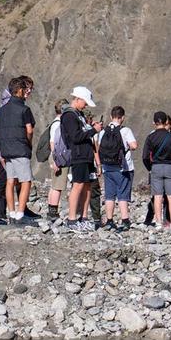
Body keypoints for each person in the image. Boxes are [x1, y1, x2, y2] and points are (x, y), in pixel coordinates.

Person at [61, 86, 102, 231]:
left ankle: (84, 217)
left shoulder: (79, 115)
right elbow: (76, 136)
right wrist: (93, 131)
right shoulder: (69, 116)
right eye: (84, 102)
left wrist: (90, 128)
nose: (85, 105)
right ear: (77, 99)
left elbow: (82, 132)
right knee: (77, 185)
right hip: (78, 155)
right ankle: (72, 219)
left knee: (87, 185)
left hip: (86, 155)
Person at [0, 76, 37, 222]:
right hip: (20, 148)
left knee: (10, 181)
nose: (27, 91)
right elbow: (29, 130)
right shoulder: (24, 109)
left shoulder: (2, 110)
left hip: (6, 149)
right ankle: (20, 214)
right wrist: (29, 143)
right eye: (25, 89)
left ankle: (12, 213)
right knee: (26, 181)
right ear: (19, 90)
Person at [95, 105, 138, 230]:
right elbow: (134, 146)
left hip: (107, 167)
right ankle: (125, 220)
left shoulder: (103, 131)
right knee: (123, 194)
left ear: (111, 116)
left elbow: (97, 146)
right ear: (122, 117)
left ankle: (109, 220)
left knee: (109, 195)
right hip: (123, 168)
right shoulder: (125, 131)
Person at [143, 111, 171, 231]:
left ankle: (158, 223)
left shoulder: (150, 137)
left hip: (156, 167)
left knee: (157, 196)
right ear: (166, 121)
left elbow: (145, 156)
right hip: (170, 167)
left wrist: (150, 168)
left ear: (154, 122)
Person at [44, 99, 70, 221]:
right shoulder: (59, 124)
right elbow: (53, 142)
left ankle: (51, 210)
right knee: (58, 186)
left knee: (54, 185)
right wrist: (55, 159)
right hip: (59, 156)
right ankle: (53, 213)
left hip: (55, 156)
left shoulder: (55, 122)